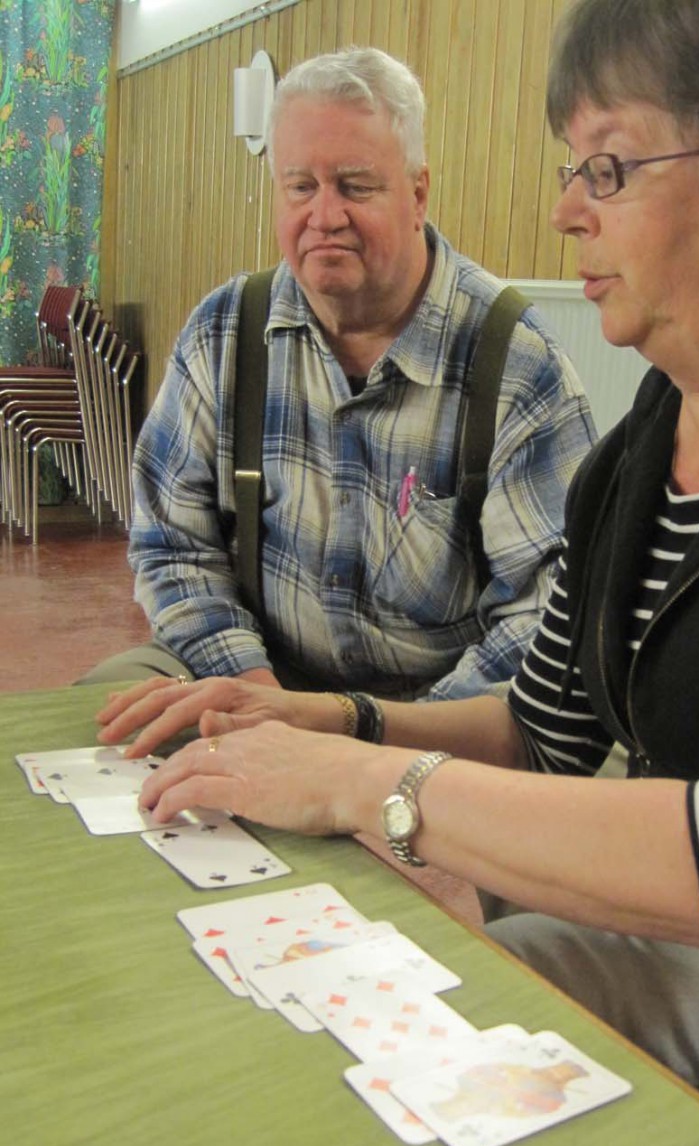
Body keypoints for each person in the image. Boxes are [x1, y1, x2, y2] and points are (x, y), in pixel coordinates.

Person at [119, 0, 699, 1146]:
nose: (566, 209)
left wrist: (365, 784)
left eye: (608, 167)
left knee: (527, 978)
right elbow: (540, 729)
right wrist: (327, 722)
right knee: (435, 927)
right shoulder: (645, 443)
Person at [86, 47, 596, 702]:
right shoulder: (224, 334)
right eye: (301, 187)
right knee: (107, 704)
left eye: (355, 186)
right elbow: (171, 547)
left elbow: (545, 619)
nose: (324, 217)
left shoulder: (518, 366)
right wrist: (258, 698)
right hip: (258, 681)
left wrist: (360, 743)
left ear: (418, 194)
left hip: (433, 716)